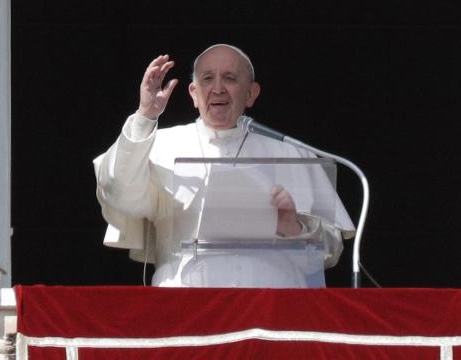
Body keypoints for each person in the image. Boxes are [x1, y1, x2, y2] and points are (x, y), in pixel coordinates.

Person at [93, 44, 355, 287]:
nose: (217, 88)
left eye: (229, 78)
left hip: (270, 305)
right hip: (186, 306)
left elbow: (328, 253)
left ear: (251, 93)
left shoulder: (291, 153)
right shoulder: (158, 145)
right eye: (207, 78)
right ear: (194, 94)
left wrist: (293, 228)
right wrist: (144, 116)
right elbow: (118, 194)